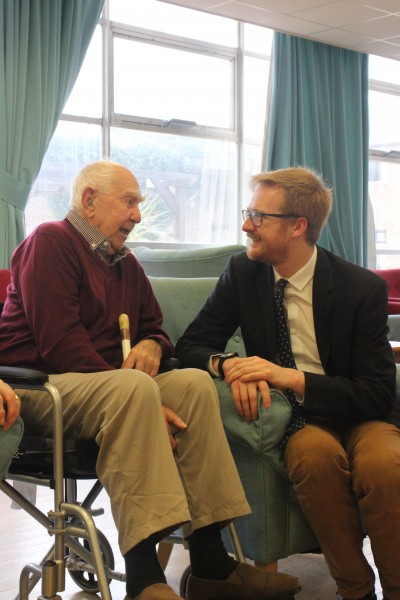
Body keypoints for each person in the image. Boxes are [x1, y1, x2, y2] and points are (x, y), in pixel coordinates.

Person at [0, 161, 300, 600]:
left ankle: (210, 564)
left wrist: (154, 346)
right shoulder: (50, 242)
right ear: (89, 201)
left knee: (194, 385)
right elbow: (60, 344)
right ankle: (145, 579)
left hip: (104, 390)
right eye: (129, 202)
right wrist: (143, 402)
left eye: (138, 203)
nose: (138, 215)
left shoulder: (124, 263)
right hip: (38, 387)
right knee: (135, 389)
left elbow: (156, 328)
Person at [175, 166, 400, 600]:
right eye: (248, 213)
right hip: (297, 420)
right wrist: (228, 366)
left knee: (385, 465)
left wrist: (289, 377)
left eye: (259, 216)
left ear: (298, 226)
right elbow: (192, 344)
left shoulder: (361, 288)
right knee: (313, 460)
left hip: (361, 415)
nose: (246, 226)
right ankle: (355, 591)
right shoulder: (243, 273)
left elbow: (376, 393)